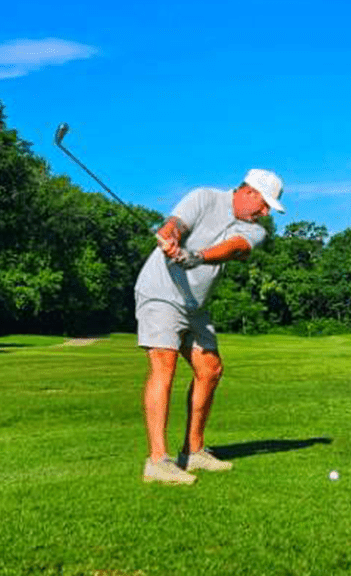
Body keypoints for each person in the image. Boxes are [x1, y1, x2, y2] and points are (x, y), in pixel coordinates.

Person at [135, 168, 285, 485]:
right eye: (264, 204)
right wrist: (171, 237)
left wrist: (196, 256)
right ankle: (158, 461)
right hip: (160, 292)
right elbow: (175, 224)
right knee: (165, 365)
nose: (265, 212)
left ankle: (193, 452)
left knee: (210, 369)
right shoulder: (204, 197)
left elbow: (236, 248)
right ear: (248, 192)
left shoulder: (256, 230)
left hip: (194, 305)